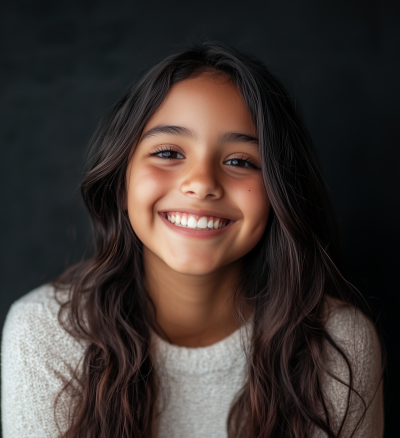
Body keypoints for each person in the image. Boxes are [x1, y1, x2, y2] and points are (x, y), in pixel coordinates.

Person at [1, 42, 384, 438]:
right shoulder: (45, 332)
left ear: (279, 192)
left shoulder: (338, 343)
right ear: (121, 181)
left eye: (239, 161)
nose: (201, 184)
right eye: (168, 152)